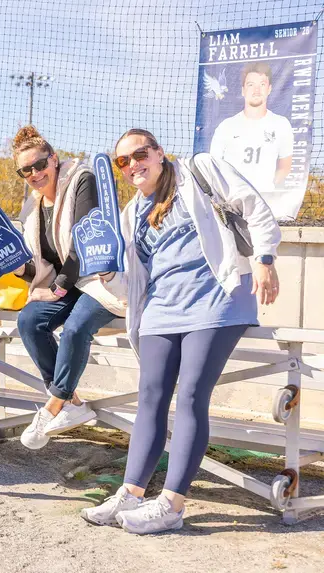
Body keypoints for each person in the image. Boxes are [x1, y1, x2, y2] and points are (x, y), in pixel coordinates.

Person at [82, 128, 280, 534]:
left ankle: (171, 505)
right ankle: (130, 493)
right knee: (150, 398)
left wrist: (264, 258)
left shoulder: (199, 170)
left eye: (140, 154)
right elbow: (131, 283)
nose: (133, 164)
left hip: (216, 302)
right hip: (160, 310)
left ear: (158, 152)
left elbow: (255, 208)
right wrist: (107, 273)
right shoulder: (132, 212)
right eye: (123, 161)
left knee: (190, 395)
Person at [10, 126, 126, 450]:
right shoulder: (31, 207)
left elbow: (83, 240)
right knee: (29, 321)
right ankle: (72, 402)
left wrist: (59, 288)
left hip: (99, 277)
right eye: (26, 170)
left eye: (39, 164)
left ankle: (54, 405)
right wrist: (19, 268)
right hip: (68, 284)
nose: (34, 173)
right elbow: (43, 265)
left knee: (76, 328)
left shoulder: (81, 179)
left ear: (54, 159)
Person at [209, 62, 294, 215]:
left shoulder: (281, 125)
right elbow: (214, 169)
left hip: (265, 205)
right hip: (231, 205)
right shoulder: (226, 127)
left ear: (269, 89)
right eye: (250, 84)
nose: (256, 90)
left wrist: (266, 187)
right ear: (243, 90)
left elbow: (285, 166)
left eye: (262, 84)